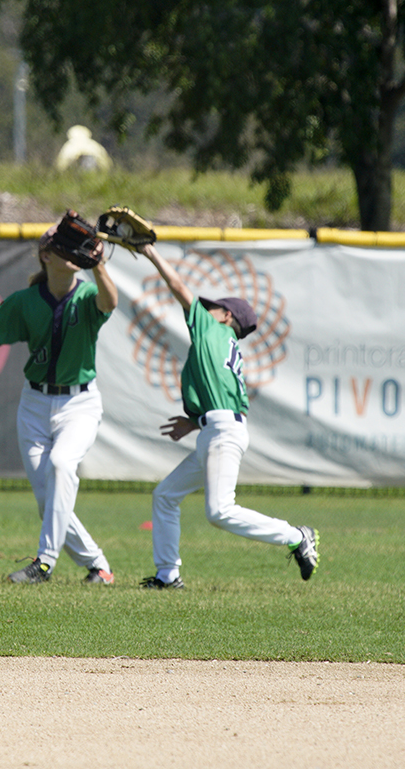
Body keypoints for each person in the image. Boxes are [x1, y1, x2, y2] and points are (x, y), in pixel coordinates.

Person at [135, 242, 319, 589]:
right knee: (166, 495)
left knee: (219, 511)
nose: (205, 310)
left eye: (212, 308)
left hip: (222, 435)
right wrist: (196, 421)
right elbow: (230, 402)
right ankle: (167, 576)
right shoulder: (223, 345)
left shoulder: (212, 331)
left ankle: (296, 536)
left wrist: (149, 251)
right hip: (216, 431)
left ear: (227, 317)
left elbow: (177, 286)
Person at [0, 217, 117, 584]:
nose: (74, 254)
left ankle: (44, 562)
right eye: (64, 247)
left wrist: (100, 264)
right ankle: (99, 566)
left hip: (79, 405)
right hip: (34, 406)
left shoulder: (88, 293)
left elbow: (110, 302)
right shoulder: (27, 300)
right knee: (48, 499)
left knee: (61, 466)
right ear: (46, 255)